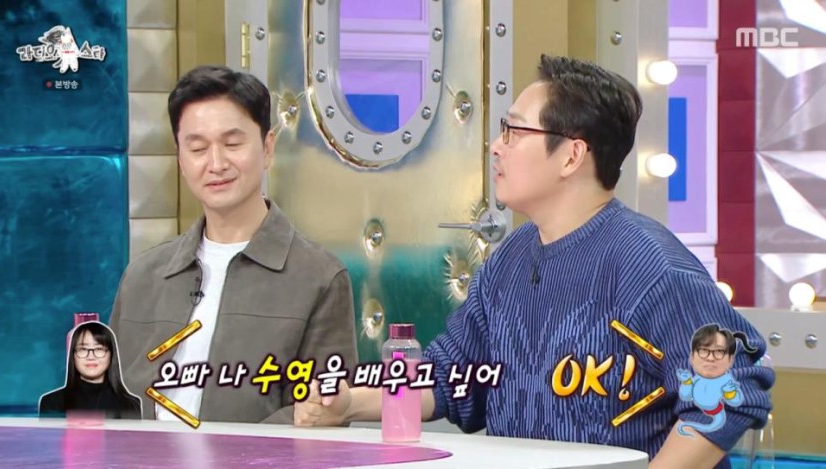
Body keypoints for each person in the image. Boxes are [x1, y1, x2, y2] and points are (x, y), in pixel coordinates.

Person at [293, 55, 774, 469]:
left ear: (571, 156)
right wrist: (349, 404)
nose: (496, 145)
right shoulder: (509, 260)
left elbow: (732, 392)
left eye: (514, 130)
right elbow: (452, 376)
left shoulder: (650, 265)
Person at [109, 65, 357, 423]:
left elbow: (323, 412)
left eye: (232, 144)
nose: (216, 163)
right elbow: (108, 401)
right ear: (180, 159)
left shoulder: (319, 278)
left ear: (267, 148)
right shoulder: (142, 277)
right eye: (197, 148)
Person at [40, 321, 141, 419]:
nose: (91, 356)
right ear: (73, 355)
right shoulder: (51, 403)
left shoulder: (130, 404)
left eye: (99, 349)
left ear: (111, 355)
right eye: (83, 349)